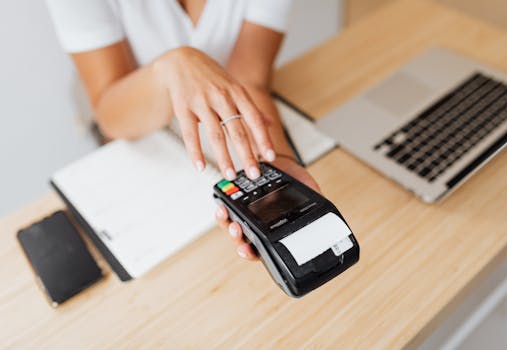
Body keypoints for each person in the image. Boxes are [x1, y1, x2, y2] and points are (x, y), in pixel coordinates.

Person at [46, 0, 320, 260]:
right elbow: (111, 118)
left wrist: (280, 160)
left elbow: (249, 78)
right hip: (141, 137)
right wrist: (170, 68)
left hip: (224, 125)